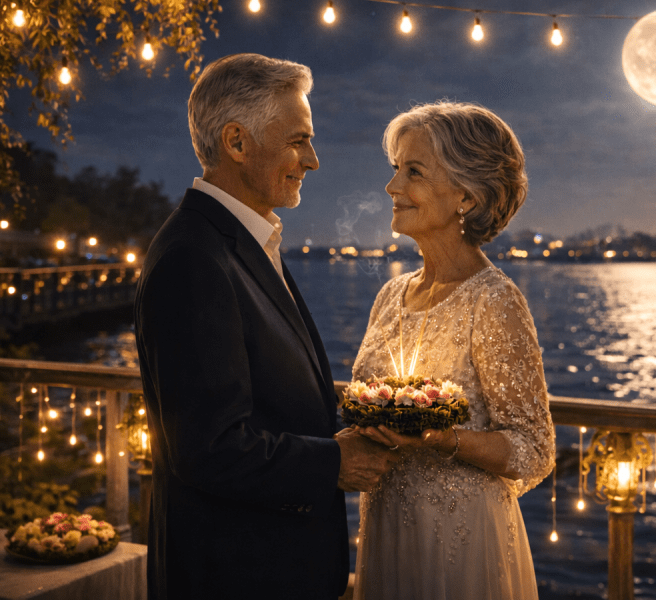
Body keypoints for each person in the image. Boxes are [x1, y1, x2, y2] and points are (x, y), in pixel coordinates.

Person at [134, 53, 395, 600]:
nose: (314, 160)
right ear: (237, 142)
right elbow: (209, 448)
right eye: (299, 140)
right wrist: (335, 461)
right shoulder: (193, 259)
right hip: (237, 575)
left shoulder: (240, 242)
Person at [350, 101, 556, 599]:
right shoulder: (390, 297)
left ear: (465, 195)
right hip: (385, 530)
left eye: (413, 172)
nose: (393, 187)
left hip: (462, 542)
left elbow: (535, 450)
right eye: (395, 170)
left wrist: (444, 440)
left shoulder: (495, 300)